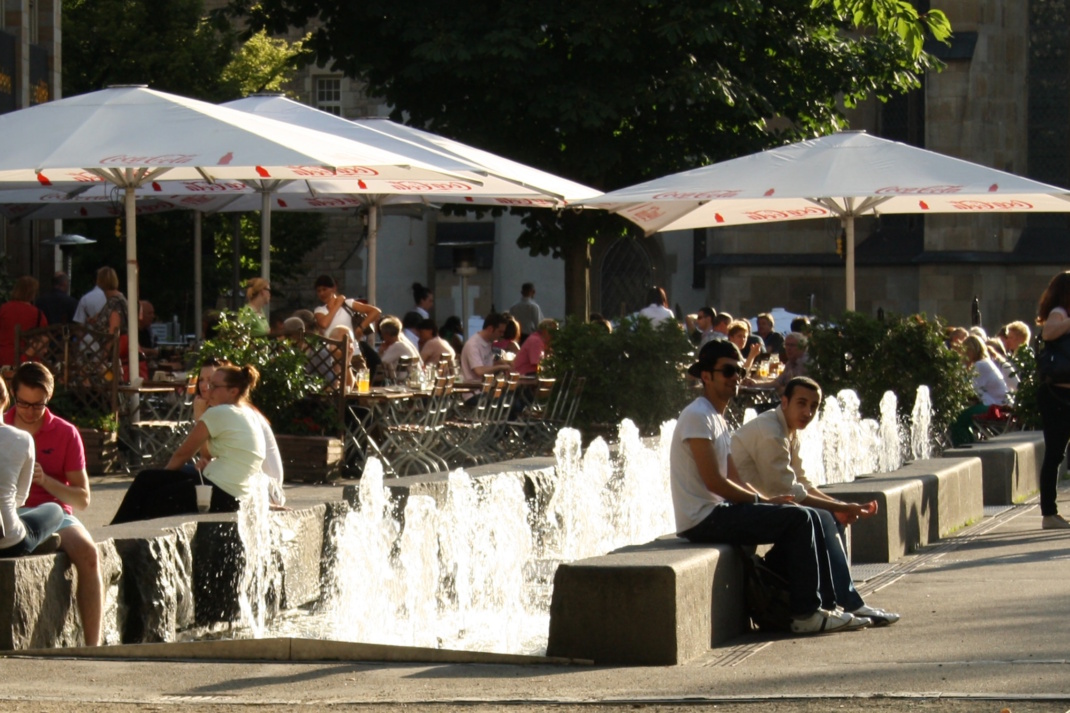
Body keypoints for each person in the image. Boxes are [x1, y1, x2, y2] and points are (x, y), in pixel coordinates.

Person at [669, 339, 872, 634]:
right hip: (702, 518)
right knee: (801, 519)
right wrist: (759, 500)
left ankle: (828, 607)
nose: (735, 378)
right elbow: (714, 481)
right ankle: (806, 614)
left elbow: (735, 477)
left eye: (739, 371)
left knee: (809, 515)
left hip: (719, 512)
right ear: (706, 376)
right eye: (727, 371)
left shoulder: (718, 418)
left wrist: (769, 502)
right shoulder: (698, 416)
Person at [730, 375, 899, 626]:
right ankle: (841, 605)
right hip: (739, 511)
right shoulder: (770, 432)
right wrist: (839, 507)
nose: (808, 411)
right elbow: (787, 490)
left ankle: (840, 604)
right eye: (801, 403)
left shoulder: (788, 430)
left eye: (814, 406)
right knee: (821, 516)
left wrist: (839, 507)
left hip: (764, 507)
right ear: (784, 401)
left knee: (828, 516)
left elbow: (803, 484)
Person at [5, 362, 104, 644]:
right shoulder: (3, 426)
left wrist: (46, 481)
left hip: (53, 509)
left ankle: (93, 645)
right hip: (10, 510)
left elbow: (82, 499)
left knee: (88, 553)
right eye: (24, 404)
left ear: (48, 398)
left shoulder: (65, 432)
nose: (30, 412)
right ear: (13, 395)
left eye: (38, 405)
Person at [110, 364, 267, 524]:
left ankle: (117, 533)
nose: (207, 389)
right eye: (207, 384)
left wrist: (164, 478)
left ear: (233, 391)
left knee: (154, 495)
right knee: (148, 479)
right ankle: (117, 530)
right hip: (234, 493)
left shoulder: (219, 412)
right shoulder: (247, 413)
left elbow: (183, 454)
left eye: (214, 386)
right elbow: (207, 454)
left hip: (220, 491)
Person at [194, 358, 285, 508]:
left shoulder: (232, 412)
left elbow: (205, 455)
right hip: (252, 488)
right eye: (201, 380)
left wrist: (199, 417)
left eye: (211, 382)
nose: (205, 386)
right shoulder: (229, 409)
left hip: (264, 493)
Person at [0, 374, 64, 560]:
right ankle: (42, 540)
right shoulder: (22, 439)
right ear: (6, 399)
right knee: (55, 510)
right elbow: (21, 498)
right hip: (7, 541)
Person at [1035, 272, 1070, 530]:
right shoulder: (1059, 313)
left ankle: (1050, 512)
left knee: (1056, 454)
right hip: (1058, 396)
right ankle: (1049, 514)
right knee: (1055, 453)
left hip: (1063, 396)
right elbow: (1048, 332)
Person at [312, 275, 381, 338]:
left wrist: (361, 328)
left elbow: (375, 311)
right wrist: (337, 304)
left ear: (334, 288)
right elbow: (324, 324)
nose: (322, 293)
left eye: (324, 289)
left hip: (352, 349)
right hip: (331, 349)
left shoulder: (348, 303)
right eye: (319, 291)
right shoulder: (319, 310)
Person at [0, 275, 47, 366]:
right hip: (26, 358)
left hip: (3, 356)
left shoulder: (3, 309)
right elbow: (44, 337)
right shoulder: (37, 313)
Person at [460, 313, 512, 382]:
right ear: (490, 329)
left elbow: (486, 364)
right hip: (474, 389)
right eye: (500, 332)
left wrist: (501, 363)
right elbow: (479, 371)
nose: (502, 335)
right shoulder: (473, 345)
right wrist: (501, 367)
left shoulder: (487, 343)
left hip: (485, 387)